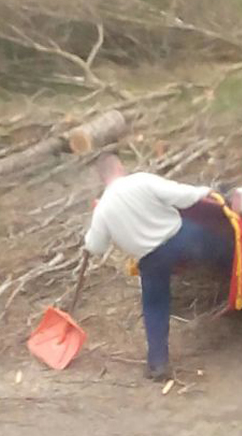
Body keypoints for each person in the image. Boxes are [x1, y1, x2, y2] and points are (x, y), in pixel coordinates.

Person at [84, 154, 234, 380]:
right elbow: (182, 196)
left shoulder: (103, 209)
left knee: (155, 306)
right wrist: (207, 191)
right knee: (222, 246)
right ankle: (237, 279)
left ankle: (158, 364)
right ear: (120, 167)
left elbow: (95, 246)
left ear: (101, 178)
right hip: (180, 238)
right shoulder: (141, 181)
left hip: (151, 259)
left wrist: (88, 238)